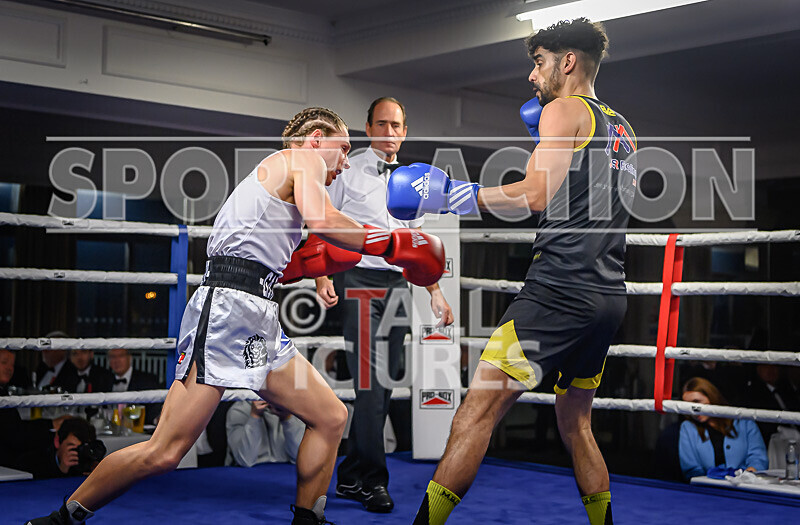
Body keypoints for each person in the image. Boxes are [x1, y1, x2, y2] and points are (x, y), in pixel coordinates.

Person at [27, 106, 445, 525]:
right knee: (165, 451)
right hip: (227, 309)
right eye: (344, 148)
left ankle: (309, 520)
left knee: (331, 417)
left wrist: (309, 265)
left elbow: (275, 261)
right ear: (317, 139)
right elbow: (324, 220)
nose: (347, 162)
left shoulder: (285, 181)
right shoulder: (303, 160)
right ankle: (62, 519)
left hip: (259, 311)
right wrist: (394, 244)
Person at [387, 19, 636, 525]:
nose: (532, 75)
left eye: (539, 62)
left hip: (557, 290)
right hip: (608, 295)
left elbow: (535, 195)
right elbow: (581, 198)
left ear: (568, 62)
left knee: (476, 413)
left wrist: (458, 196)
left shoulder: (564, 110)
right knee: (577, 424)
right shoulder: (624, 129)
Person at [317, 96, 454, 513]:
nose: (389, 132)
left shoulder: (414, 181)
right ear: (369, 128)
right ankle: (373, 481)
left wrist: (434, 290)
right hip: (357, 278)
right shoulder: (348, 169)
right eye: (382, 124)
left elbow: (418, 244)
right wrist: (321, 274)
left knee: (385, 382)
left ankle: (350, 475)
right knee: (370, 384)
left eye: (396, 125)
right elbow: (322, 217)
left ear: (405, 132)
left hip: (397, 283)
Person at [679, 377, 768, 479]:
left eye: (697, 402)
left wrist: (749, 475)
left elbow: (758, 458)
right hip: (707, 485)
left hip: (744, 483)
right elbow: (691, 470)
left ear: (712, 397)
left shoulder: (744, 422)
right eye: (688, 405)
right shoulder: (688, 427)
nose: (693, 410)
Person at [16, 417, 105, 480]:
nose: (77, 453)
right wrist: (61, 471)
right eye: (72, 447)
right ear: (57, 441)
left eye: (82, 449)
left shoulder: (90, 460)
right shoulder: (33, 462)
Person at [226, 400, 305, 467]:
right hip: (248, 474)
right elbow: (245, 461)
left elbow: (300, 458)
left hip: (286, 471)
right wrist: (255, 416)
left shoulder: (295, 407)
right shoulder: (239, 410)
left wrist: (287, 419)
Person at [107, 348, 162, 425]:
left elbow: (154, 412)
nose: (117, 361)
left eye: (121, 356)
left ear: (130, 358)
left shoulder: (147, 380)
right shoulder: (103, 379)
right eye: (113, 357)